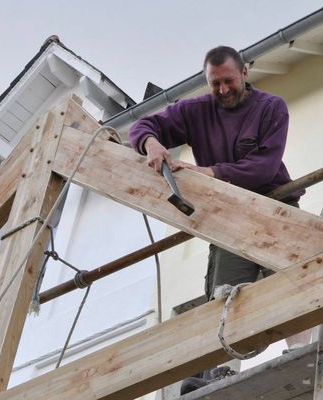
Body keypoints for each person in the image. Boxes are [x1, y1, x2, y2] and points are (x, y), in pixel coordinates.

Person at [128, 45, 307, 394]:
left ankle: (304, 352)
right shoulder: (196, 111)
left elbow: (263, 167)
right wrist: (150, 143)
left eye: (228, 81)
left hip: (275, 206)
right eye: (214, 84)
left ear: (245, 72)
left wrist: (207, 173)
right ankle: (223, 371)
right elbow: (144, 124)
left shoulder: (271, 108)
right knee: (226, 294)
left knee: (292, 284)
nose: (222, 90)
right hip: (229, 215)